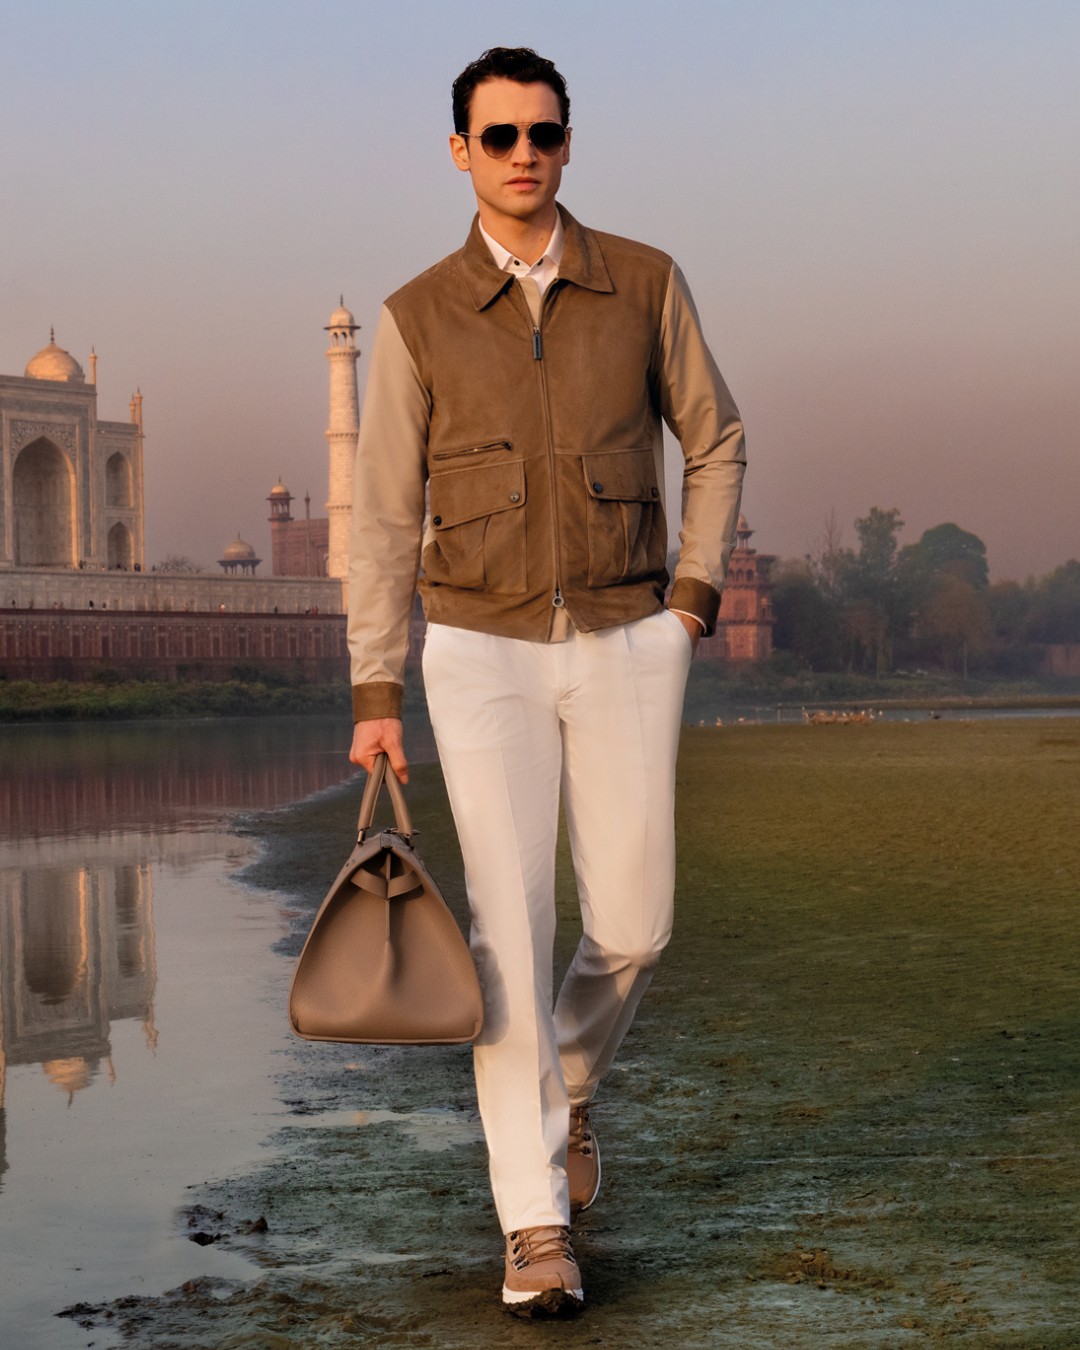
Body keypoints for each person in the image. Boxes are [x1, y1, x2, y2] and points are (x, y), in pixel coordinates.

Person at [347, 46, 745, 1318]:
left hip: (631, 632)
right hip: (478, 644)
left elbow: (717, 439)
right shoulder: (414, 318)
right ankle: (534, 1225)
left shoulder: (643, 284)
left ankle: (564, 1091)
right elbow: (377, 520)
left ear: (569, 144)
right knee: (504, 941)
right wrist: (375, 688)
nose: (526, 154)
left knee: (635, 921)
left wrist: (691, 600)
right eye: (500, 134)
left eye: (546, 133)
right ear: (458, 151)